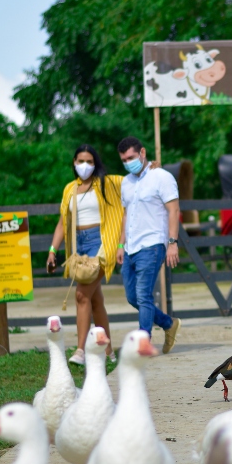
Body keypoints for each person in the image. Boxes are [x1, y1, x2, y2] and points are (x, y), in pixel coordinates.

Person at [47, 145, 125, 364]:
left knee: (81, 295)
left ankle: (80, 351)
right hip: (78, 246)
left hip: (101, 243)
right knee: (94, 299)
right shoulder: (69, 189)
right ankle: (108, 350)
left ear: (96, 163)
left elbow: (133, 180)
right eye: (81, 161)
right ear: (74, 162)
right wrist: (53, 250)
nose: (85, 165)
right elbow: (63, 222)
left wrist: (150, 168)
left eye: (90, 161)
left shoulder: (107, 183)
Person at [117, 136, 181, 353]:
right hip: (130, 247)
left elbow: (174, 210)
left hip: (153, 244)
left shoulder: (161, 177)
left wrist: (172, 243)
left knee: (143, 295)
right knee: (132, 297)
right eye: (124, 159)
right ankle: (168, 323)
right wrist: (120, 244)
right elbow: (126, 215)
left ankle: (143, 342)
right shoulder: (126, 182)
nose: (128, 162)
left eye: (132, 157)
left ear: (142, 153)